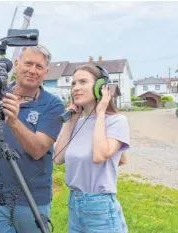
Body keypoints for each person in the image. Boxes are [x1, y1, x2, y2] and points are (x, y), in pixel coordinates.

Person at [0, 45, 65, 233]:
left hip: (32, 200)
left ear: (46, 72)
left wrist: (12, 121)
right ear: (17, 64)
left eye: (39, 66)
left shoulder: (53, 106)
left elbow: (38, 149)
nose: (32, 70)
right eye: (28, 63)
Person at [54, 64, 130, 233]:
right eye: (73, 84)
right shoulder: (77, 123)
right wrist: (71, 121)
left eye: (83, 82)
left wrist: (101, 112)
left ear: (100, 88)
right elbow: (58, 158)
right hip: (74, 204)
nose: (76, 88)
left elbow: (99, 155)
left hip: (100, 207)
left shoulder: (117, 121)